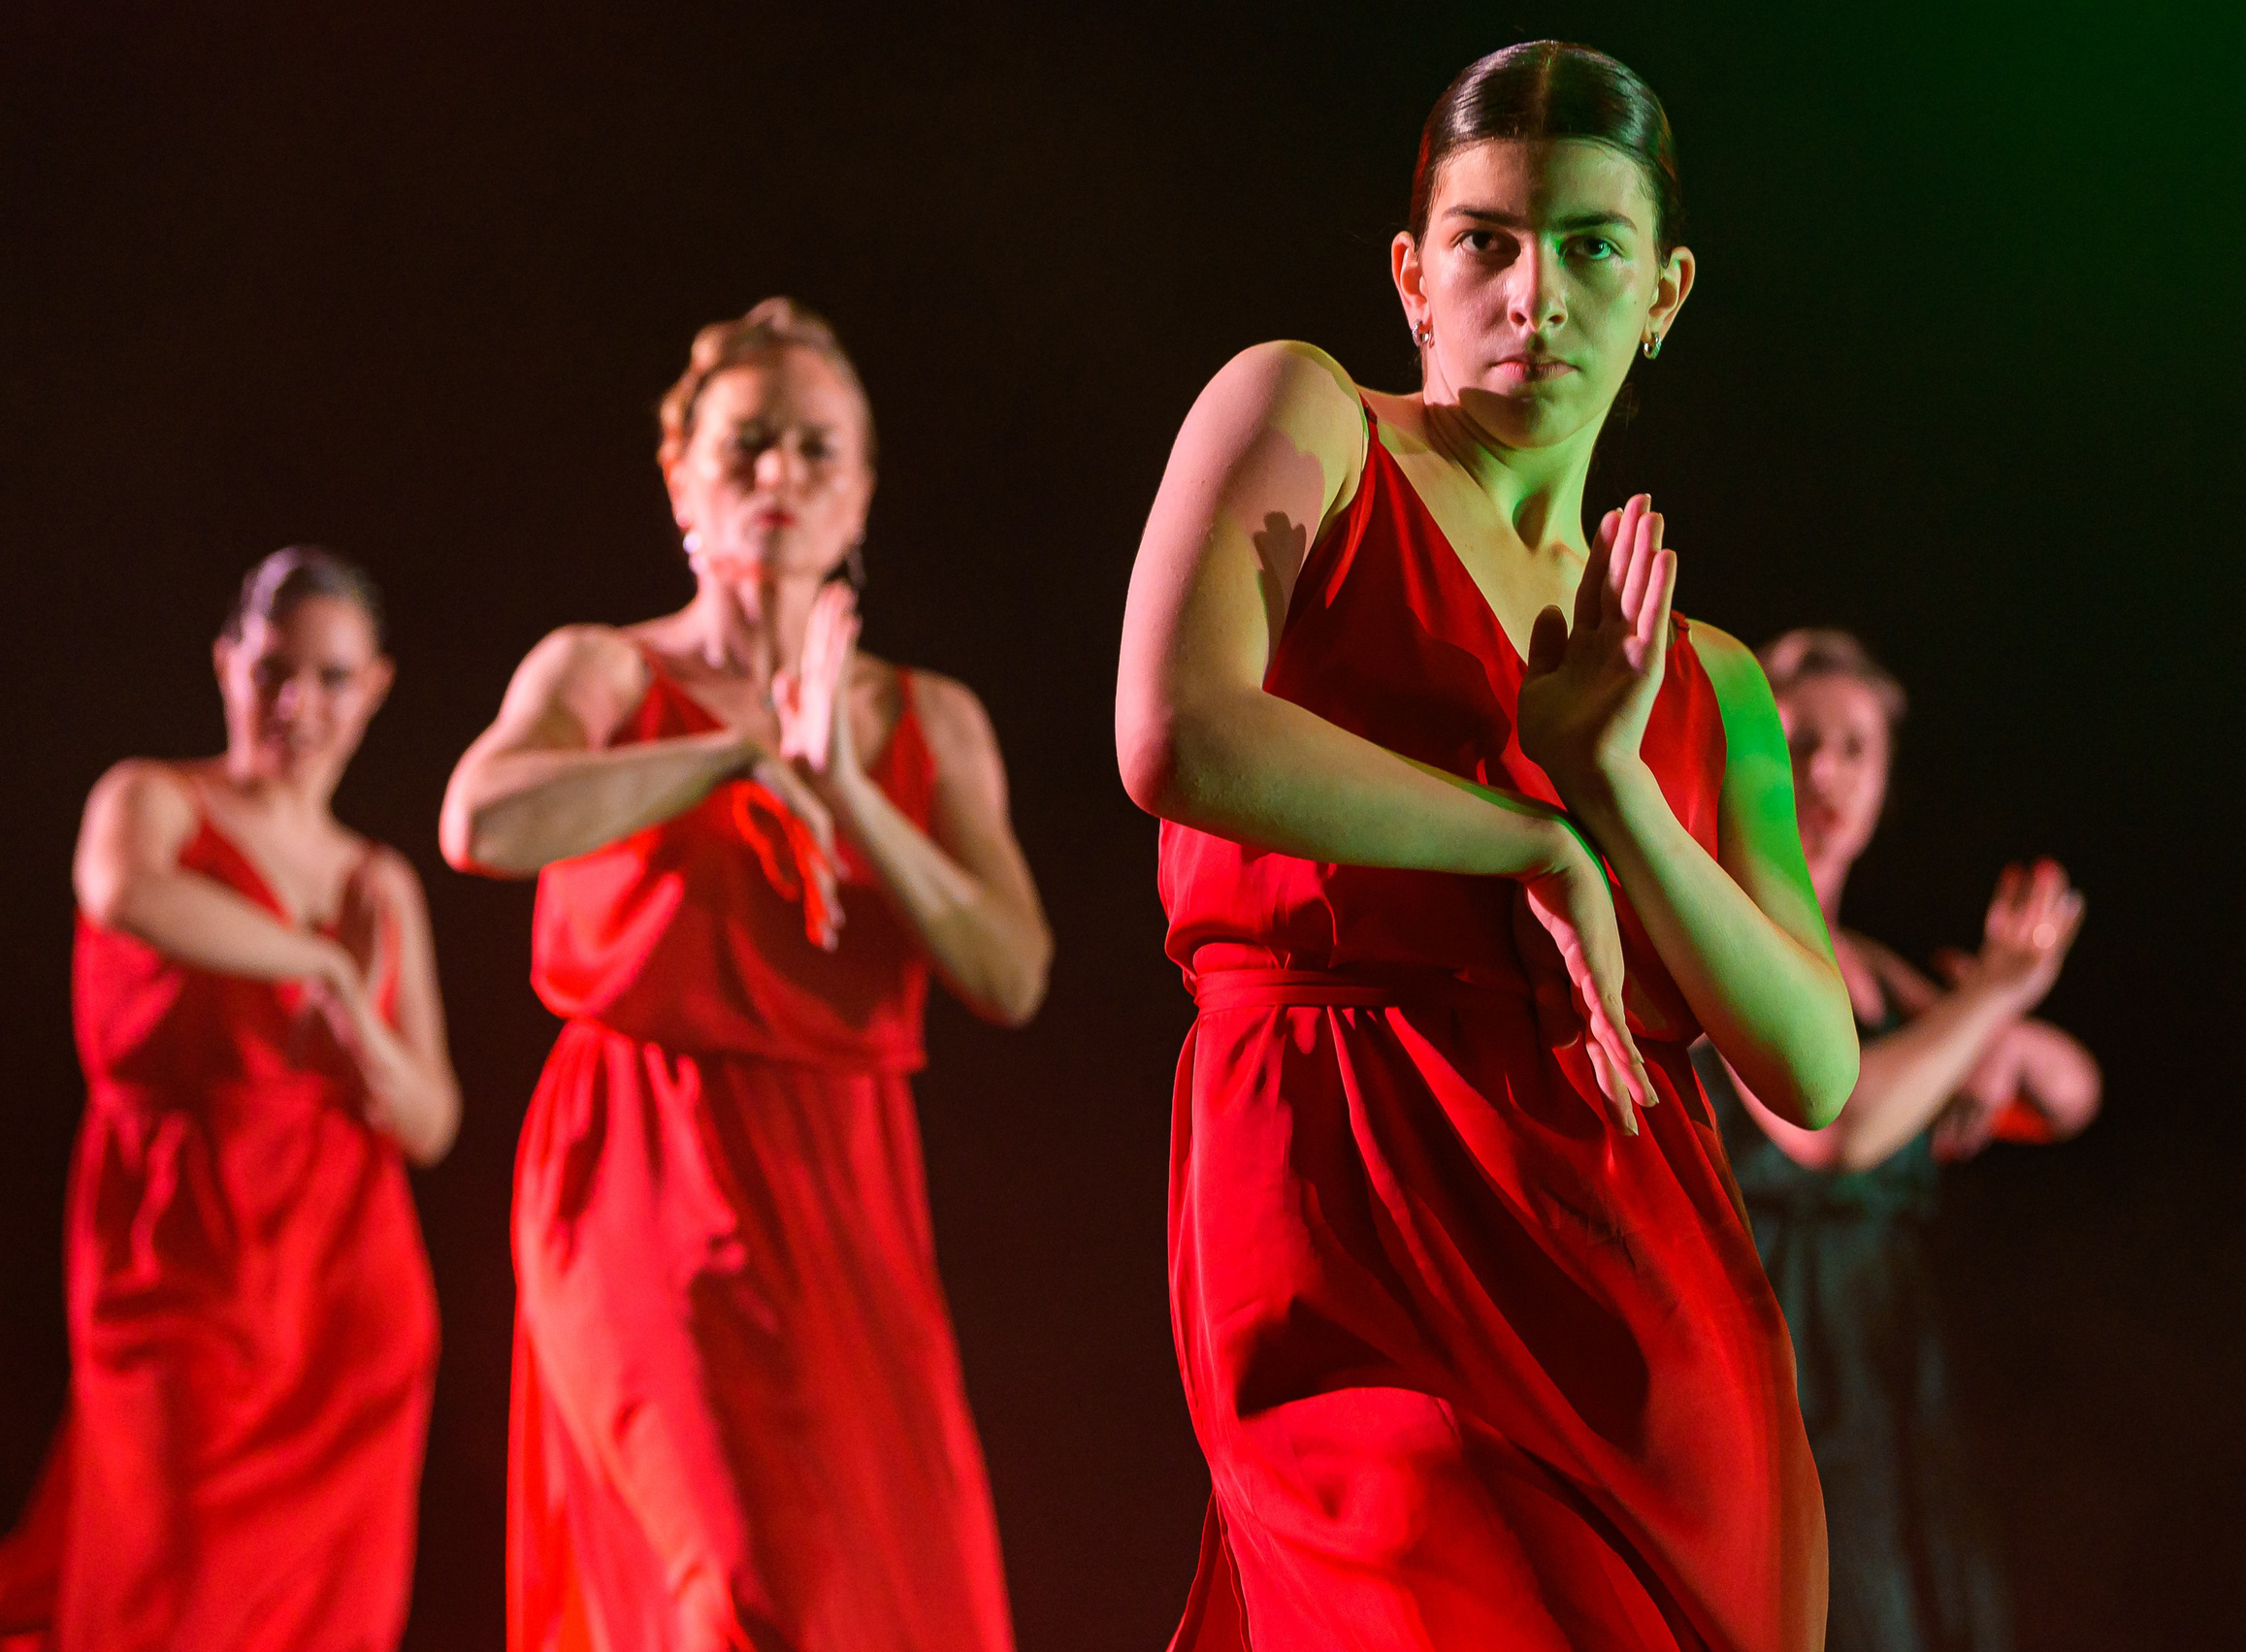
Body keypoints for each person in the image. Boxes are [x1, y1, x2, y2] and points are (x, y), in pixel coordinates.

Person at [1116, 41, 1859, 1652]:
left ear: (1662, 292)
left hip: (1638, 1293)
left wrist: (1616, 789)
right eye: (1489, 241)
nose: (1538, 292)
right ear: (1414, 271)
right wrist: (1533, 838)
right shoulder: (1306, 416)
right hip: (1345, 1199)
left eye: (1593, 246)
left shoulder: (1711, 675)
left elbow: (1811, 1062)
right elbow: (1174, 727)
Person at [441, 297, 1050, 1652]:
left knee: (881, 1585)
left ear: (863, 495)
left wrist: (847, 791)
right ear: (681, 478)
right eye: (747, 444)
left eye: (816, 450)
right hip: (636, 1152)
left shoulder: (928, 715)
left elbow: (1010, 971)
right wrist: (732, 753)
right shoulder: (604, 667)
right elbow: (481, 819)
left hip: (842, 1169)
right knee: (739, 1577)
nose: (780, 475)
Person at [0, 547, 457, 1651]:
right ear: (226, 664)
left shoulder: (377, 879)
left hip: (347, 1283)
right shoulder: (153, 797)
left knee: (318, 1613)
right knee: (165, 1579)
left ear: (378, 686)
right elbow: (123, 890)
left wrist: (364, 1048)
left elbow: (432, 1117)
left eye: (333, 677)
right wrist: (327, 967)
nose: (298, 703)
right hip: (178, 1253)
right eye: (273, 670)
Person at [1693, 628, 2098, 1652]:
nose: (1825, 769)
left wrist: (1979, 1033)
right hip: (1774, 1346)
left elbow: (2067, 1091)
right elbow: (1839, 1124)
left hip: (1887, 1359)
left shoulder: (1873, 969)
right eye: (1798, 740)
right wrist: (1992, 997)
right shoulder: (1723, 922)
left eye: (1855, 748)